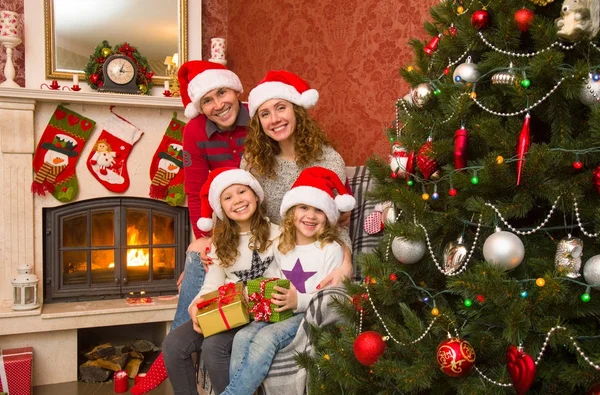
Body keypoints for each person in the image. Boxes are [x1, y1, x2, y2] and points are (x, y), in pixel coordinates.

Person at [131, 61, 248, 395]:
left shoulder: (260, 117)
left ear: (235, 90)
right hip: (221, 214)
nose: (217, 105)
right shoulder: (195, 129)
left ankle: (175, 351)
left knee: (196, 264)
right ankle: (178, 350)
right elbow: (195, 185)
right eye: (207, 100)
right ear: (199, 106)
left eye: (222, 93)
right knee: (198, 257)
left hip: (254, 210)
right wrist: (203, 236)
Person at [221, 166, 356, 395]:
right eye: (304, 207)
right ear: (292, 212)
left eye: (319, 210)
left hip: (306, 316)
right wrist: (258, 294)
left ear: (329, 217)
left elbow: (332, 299)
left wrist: (299, 301)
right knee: (242, 337)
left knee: (267, 338)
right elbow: (273, 277)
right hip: (280, 311)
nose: (310, 216)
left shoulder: (330, 250)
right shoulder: (282, 245)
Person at [163, 167, 282, 395]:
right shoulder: (220, 244)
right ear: (221, 208)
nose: (237, 200)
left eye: (242, 192)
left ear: (255, 195)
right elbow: (211, 285)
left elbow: (284, 279)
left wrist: (246, 297)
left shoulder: (277, 235)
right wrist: (196, 306)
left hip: (259, 312)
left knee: (213, 346)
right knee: (173, 344)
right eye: (228, 197)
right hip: (227, 310)